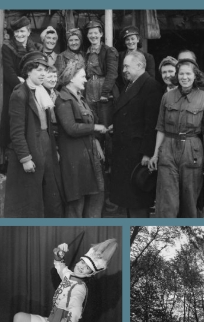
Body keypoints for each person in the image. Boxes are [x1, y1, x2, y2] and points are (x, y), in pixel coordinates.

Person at [147, 58, 204, 218]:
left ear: (195, 75)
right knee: (167, 204)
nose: (184, 77)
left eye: (188, 74)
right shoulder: (167, 97)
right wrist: (156, 154)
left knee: (189, 203)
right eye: (181, 74)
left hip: (192, 151)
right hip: (168, 149)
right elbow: (161, 128)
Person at [4, 52, 64, 218]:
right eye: (38, 70)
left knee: (51, 194)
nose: (43, 73)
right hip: (31, 149)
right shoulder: (20, 94)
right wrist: (25, 158)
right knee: (31, 200)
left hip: (45, 147)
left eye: (45, 70)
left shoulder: (41, 92)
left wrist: (53, 150)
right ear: (28, 71)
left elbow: (47, 127)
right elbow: (16, 131)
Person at [109, 51, 162, 218]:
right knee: (128, 201)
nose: (123, 70)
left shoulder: (150, 86)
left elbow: (151, 122)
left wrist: (147, 152)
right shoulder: (130, 85)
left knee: (137, 201)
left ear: (139, 65)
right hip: (125, 151)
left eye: (126, 66)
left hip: (137, 154)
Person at [55, 59, 107, 217]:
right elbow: (70, 128)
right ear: (72, 78)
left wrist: (96, 141)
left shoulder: (81, 99)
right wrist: (95, 128)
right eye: (83, 76)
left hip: (89, 160)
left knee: (95, 201)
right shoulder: (63, 99)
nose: (85, 79)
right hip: (75, 162)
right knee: (76, 207)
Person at [0, 16, 43, 155]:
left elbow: (38, 70)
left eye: (22, 31)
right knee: (14, 123)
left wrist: (30, 82)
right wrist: (24, 84)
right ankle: (10, 159)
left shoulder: (35, 48)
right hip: (14, 91)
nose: (19, 35)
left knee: (31, 122)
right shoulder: (7, 47)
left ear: (29, 32)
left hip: (32, 89)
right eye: (16, 32)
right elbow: (9, 73)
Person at [84, 20, 119, 180]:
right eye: (90, 33)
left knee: (106, 129)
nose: (93, 35)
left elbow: (112, 73)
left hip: (103, 90)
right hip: (89, 89)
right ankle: (97, 166)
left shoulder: (108, 51)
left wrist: (105, 93)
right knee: (93, 126)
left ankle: (111, 166)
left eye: (95, 32)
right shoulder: (87, 52)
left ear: (101, 34)